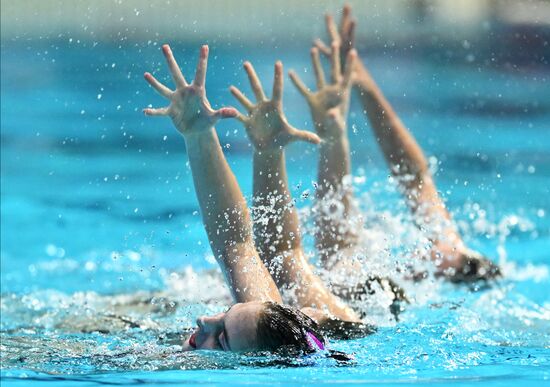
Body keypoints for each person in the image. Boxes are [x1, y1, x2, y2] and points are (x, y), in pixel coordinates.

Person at [143, 44, 370, 354]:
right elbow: (243, 247)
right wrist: (201, 136)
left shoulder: (256, 332)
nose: (203, 320)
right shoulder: (263, 320)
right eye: (225, 314)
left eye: (222, 338)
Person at [302, 4, 501, 283]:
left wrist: (333, 139)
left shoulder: (380, 293)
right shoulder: (433, 263)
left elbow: (336, 253)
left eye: (446, 257)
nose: (436, 250)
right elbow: (414, 176)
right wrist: (363, 81)